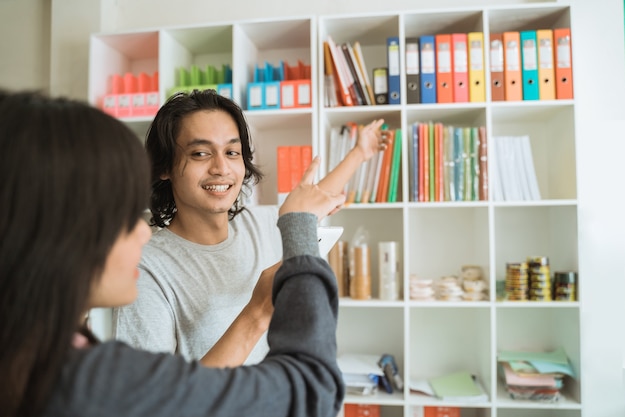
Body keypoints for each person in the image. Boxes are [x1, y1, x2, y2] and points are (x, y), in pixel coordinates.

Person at [0, 89, 349, 417]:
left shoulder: (56, 358)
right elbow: (310, 390)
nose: (140, 230)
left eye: (232, 151)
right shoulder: (87, 381)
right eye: (116, 214)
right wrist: (259, 310)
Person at [112, 89, 387, 366]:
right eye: (200, 153)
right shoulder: (145, 269)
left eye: (232, 152)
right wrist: (257, 312)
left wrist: (360, 153)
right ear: (165, 167)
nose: (221, 167)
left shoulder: (259, 223)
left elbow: (316, 199)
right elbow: (153, 402)